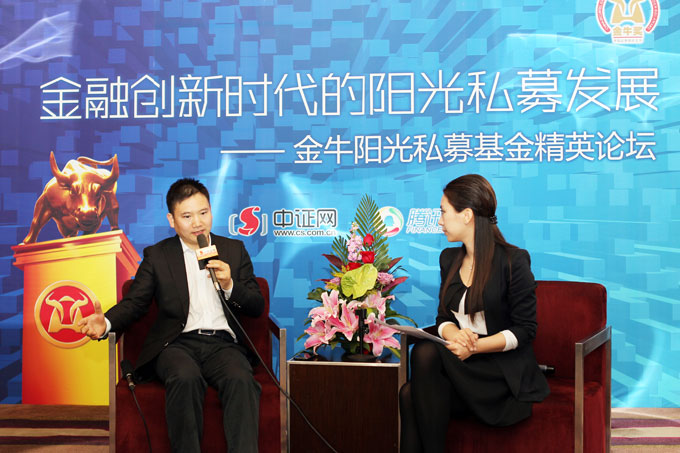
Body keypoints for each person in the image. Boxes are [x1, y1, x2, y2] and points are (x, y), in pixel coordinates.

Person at [78, 178, 264, 453]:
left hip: (223, 344)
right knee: (185, 377)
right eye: (187, 216)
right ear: (172, 220)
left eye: (203, 213)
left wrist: (229, 285)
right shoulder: (158, 255)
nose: (197, 223)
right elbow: (135, 302)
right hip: (176, 344)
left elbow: (256, 306)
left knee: (241, 380)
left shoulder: (233, 250)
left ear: (211, 212)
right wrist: (105, 322)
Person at [399, 174, 550, 453]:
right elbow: (444, 319)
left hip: (498, 373)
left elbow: (525, 330)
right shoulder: (449, 259)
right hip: (461, 366)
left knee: (424, 355)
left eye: (444, 212)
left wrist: (475, 347)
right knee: (408, 393)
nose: (440, 221)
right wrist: (455, 335)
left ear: (467, 215)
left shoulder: (513, 261)